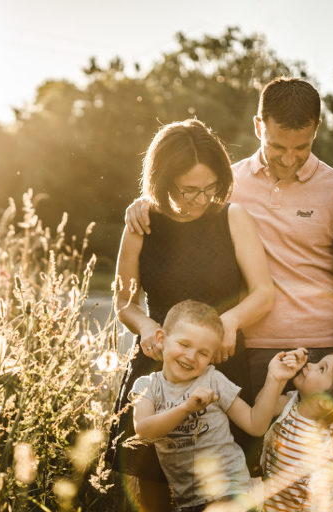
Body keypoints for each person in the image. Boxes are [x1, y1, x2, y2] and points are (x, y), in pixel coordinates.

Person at [123, 78, 333, 502]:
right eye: (278, 146)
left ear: (316, 130)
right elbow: (179, 198)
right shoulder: (226, 183)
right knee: (267, 480)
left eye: (302, 147)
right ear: (259, 126)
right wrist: (144, 203)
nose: (290, 159)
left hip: (323, 352)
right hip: (251, 352)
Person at [107, 119, 275, 511]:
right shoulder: (141, 224)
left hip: (221, 365)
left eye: (210, 187)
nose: (201, 199)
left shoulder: (233, 217)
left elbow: (264, 293)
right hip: (159, 366)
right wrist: (146, 326)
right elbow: (124, 302)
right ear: (163, 181)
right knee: (151, 484)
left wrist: (229, 322)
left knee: (224, 487)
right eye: (189, 190)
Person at [131, 300, 304, 512]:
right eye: (184, 344)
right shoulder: (147, 386)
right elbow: (144, 430)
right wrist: (185, 408)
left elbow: (255, 424)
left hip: (231, 490)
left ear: (211, 357)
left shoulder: (213, 380)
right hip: (189, 501)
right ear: (161, 339)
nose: (191, 357)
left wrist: (275, 378)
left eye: (203, 353)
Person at [261, 352, 333, 512]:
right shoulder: (288, 404)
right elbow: (262, 407)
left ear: (326, 401)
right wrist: (277, 378)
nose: (310, 364)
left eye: (322, 368)